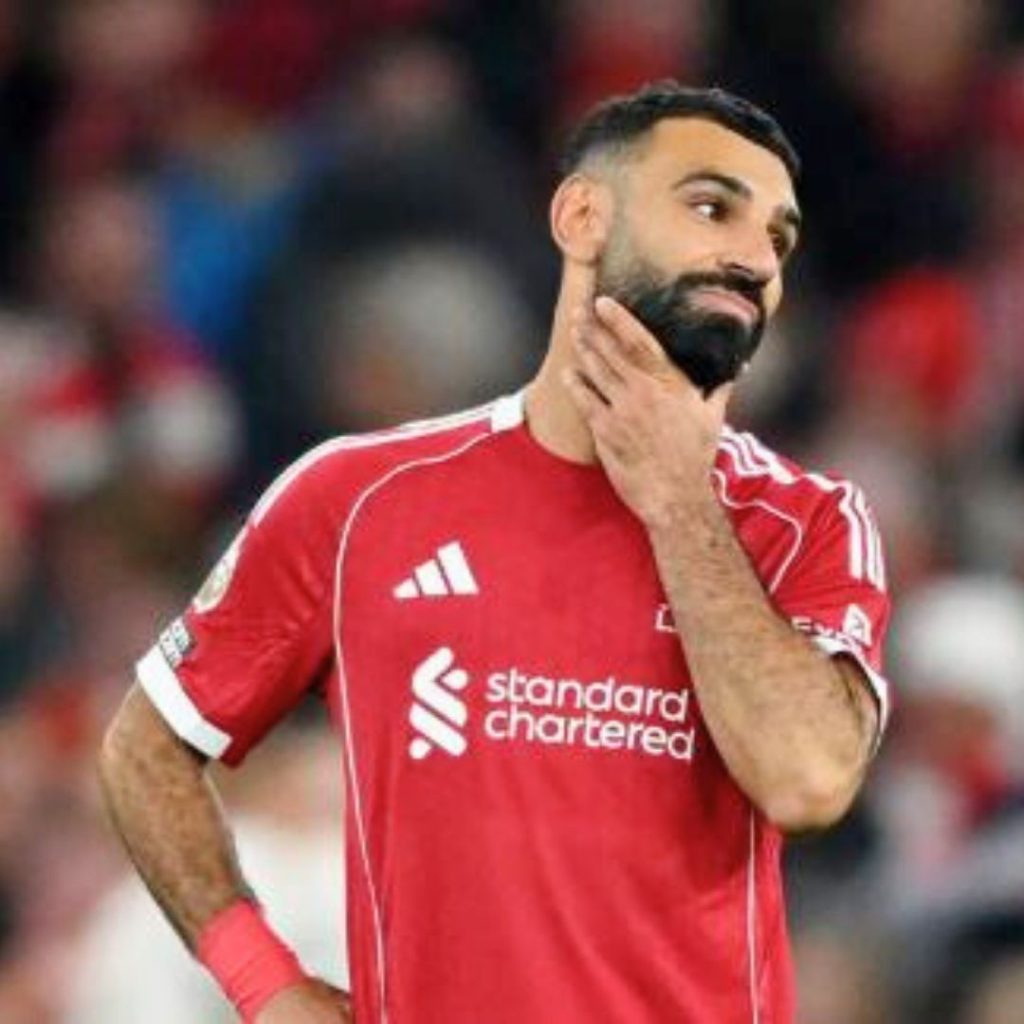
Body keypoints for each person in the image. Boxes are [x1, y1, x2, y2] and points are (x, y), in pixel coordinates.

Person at [98, 81, 892, 1024]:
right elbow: (145, 749)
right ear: (582, 216)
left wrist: (679, 500)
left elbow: (808, 779)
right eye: (712, 207)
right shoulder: (358, 501)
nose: (755, 258)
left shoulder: (804, 522)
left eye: (779, 239)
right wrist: (265, 984)